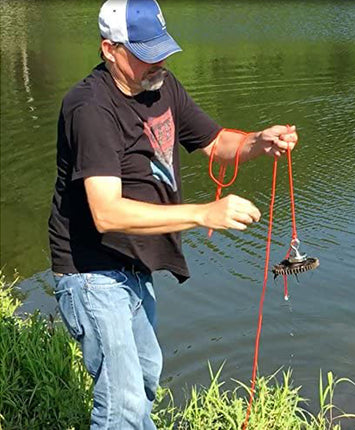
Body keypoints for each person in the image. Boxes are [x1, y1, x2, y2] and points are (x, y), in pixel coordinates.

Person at [48, 0, 298, 428]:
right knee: (122, 403)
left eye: (161, 48)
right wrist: (203, 213)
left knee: (144, 381)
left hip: (134, 266)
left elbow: (216, 142)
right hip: (90, 271)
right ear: (110, 50)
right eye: (145, 53)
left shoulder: (163, 85)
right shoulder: (90, 109)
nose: (158, 61)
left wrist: (259, 141)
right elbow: (106, 213)